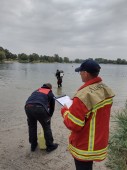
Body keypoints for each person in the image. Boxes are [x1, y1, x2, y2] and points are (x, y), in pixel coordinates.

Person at [61, 59, 115, 170]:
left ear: (85, 73)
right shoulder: (105, 88)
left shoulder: (82, 96)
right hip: (99, 140)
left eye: (80, 72)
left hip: (85, 145)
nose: (79, 74)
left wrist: (65, 111)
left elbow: (73, 124)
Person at [24, 83, 58, 152]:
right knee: (46, 127)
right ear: (50, 88)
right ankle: (50, 146)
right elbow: (52, 107)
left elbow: (32, 99)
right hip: (39, 107)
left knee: (32, 126)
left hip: (27, 107)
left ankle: (33, 145)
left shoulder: (36, 90)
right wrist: (49, 116)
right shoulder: (49, 92)